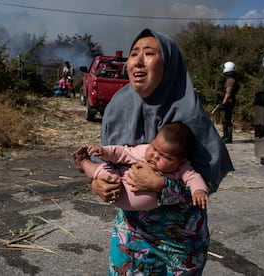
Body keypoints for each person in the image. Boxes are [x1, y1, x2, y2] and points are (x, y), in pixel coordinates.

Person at [90, 28, 234, 275]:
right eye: (134, 53)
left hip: (179, 240)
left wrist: (163, 185)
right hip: (130, 236)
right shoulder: (117, 107)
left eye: (149, 53)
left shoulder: (189, 114)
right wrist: (98, 182)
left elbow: (206, 184)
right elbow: (108, 160)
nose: (138, 60)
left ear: (169, 64)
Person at [73, 122, 209, 210]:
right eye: (154, 148)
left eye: (166, 157)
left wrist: (199, 191)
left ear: (180, 160)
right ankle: (85, 163)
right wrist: (104, 151)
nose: (155, 156)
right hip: (117, 184)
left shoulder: (182, 167)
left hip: (141, 213)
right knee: (105, 171)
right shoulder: (144, 151)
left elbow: (194, 178)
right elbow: (122, 152)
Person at [217, 61, 239, 143]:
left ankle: (228, 136)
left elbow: (228, 93)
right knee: (224, 119)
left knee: (227, 120)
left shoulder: (230, 81)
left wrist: (223, 103)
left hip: (228, 103)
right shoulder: (229, 79)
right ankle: (225, 135)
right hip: (227, 102)